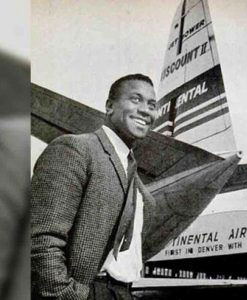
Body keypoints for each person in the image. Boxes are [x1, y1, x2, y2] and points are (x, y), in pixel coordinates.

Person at [31, 74, 201, 300]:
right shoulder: (74, 148)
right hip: (89, 291)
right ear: (109, 106)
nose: (145, 110)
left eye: (152, 105)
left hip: (122, 292)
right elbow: (42, 237)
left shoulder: (130, 168)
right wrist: (66, 295)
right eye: (135, 100)